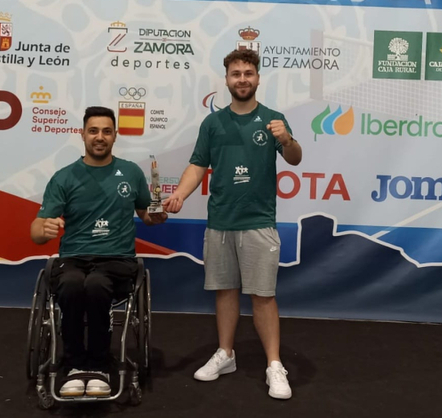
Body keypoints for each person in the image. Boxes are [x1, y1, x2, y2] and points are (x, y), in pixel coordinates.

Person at [162, 49, 302, 400]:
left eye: (248, 73)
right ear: (226, 79)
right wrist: (179, 193)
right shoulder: (213, 123)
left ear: (257, 78)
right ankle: (226, 354)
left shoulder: (273, 119)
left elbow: (295, 158)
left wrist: (285, 137)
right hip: (220, 221)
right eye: (236, 73)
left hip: (258, 222)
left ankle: (273, 365)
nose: (242, 79)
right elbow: (198, 165)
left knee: (263, 296)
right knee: (225, 291)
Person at [30, 106, 167, 397]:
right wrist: (44, 230)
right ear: (82, 135)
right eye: (93, 131)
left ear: (115, 136)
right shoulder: (64, 177)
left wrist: (154, 217)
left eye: (106, 131)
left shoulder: (130, 172)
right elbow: (37, 230)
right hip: (73, 258)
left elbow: (146, 213)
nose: (100, 137)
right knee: (69, 284)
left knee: (96, 285)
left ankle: (100, 366)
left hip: (117, 260)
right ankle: (76, 365)